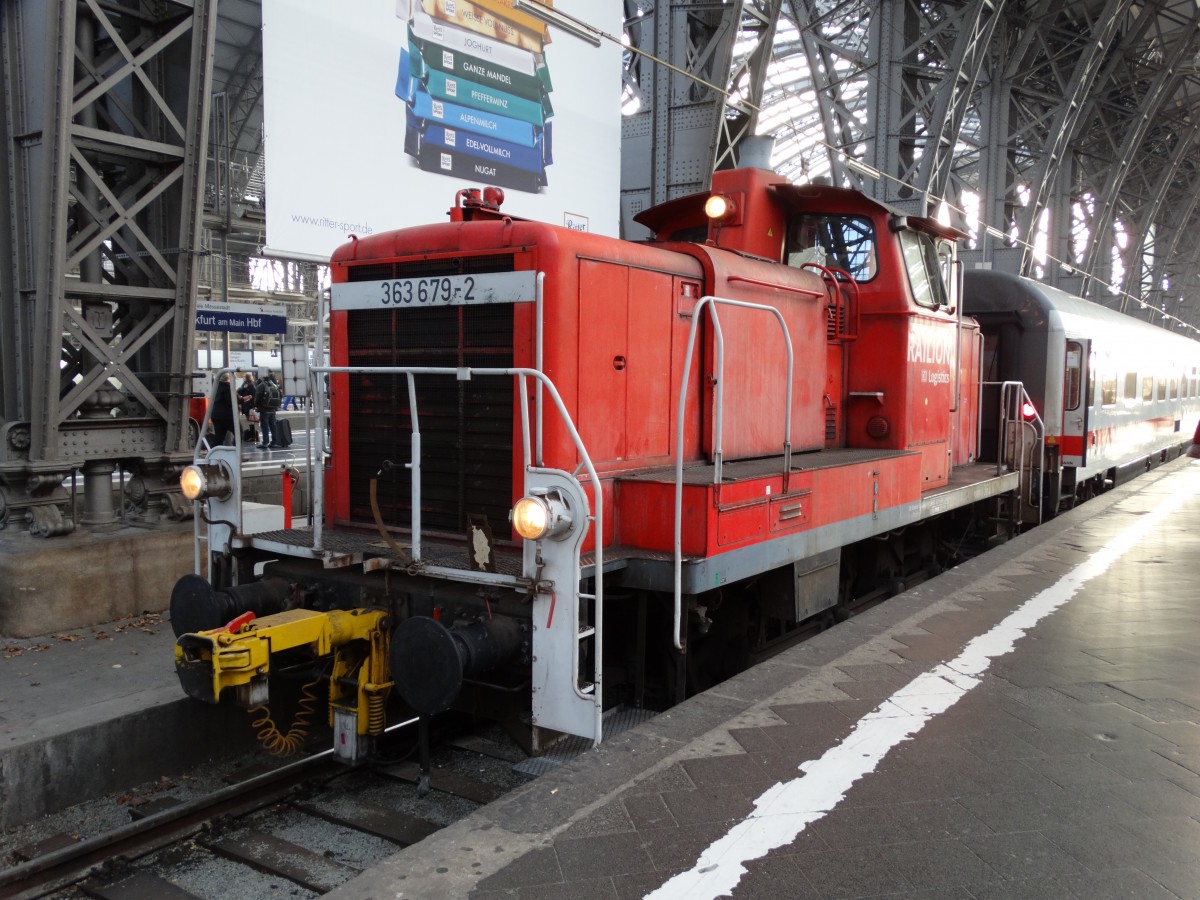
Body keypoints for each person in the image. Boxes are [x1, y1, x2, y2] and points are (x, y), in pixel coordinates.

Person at [254, 372, 282, 450]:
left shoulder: (261, 386)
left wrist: (256, 405)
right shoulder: (274, 385)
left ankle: (265, 442)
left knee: (264, 426)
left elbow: (257, 397)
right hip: (273, 409)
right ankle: (274, 442)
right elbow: (280, 396)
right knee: (273, 426)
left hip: (264, 409)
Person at [210, 374, 236, 446]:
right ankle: (236, 449)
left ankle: (215, 453)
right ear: (228, 379)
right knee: (239, 432)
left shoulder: (216, 387)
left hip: (216, 415)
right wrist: (241, 400)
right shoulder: (228, 388)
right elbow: (231, 401)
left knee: (219, 437)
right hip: (227, 416)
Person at [237, 372, 257, 443]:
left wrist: (253, 405)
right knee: (250, 421)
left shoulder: (248, 385)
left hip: (248, 405)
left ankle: (253, 436)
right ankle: (253, 435)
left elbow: (239, 392)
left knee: (250, 420)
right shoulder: (250, 384)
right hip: (248, 404)